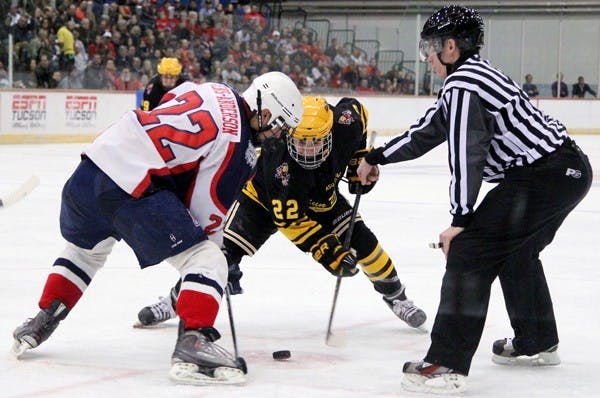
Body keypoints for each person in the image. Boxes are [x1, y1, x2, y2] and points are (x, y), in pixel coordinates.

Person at [12, 71, 303, 386]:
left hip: (92, 166)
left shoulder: (216, 90)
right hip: (131, 185)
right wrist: (217, 261)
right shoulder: (241, 149)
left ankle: (42, 319)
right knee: (207, 260)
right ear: (266, 112)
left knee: (85, 251)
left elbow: (168, 103)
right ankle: (194, 341)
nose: (278, 134)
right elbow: (207, 212)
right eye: (280, 125)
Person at [357, 5, 593, 394]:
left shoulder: (464, 85)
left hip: (544, 176)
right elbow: (429, 130)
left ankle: (446, 363)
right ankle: (537, 340)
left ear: (450, 46)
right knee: (516, 253)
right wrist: (376, 156)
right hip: (566, 172)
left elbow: (469, 154)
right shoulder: (471, 78)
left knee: (469, 250)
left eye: (430, 47)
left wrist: (461, 219)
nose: (428, 57)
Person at [136, 96, 427, 331]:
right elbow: (289, 221)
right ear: (289, 132)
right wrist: (329, 253)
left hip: (323, 198)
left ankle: (396, 296)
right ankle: (175, 300)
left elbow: (357, 112)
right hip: (262, 201)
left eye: (315, 142)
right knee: (218, 258)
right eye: (301, 141)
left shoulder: (345, 122)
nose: (308, 150)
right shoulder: (279, 161)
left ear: (329, 132)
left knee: (366, 245)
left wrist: (358, 164)